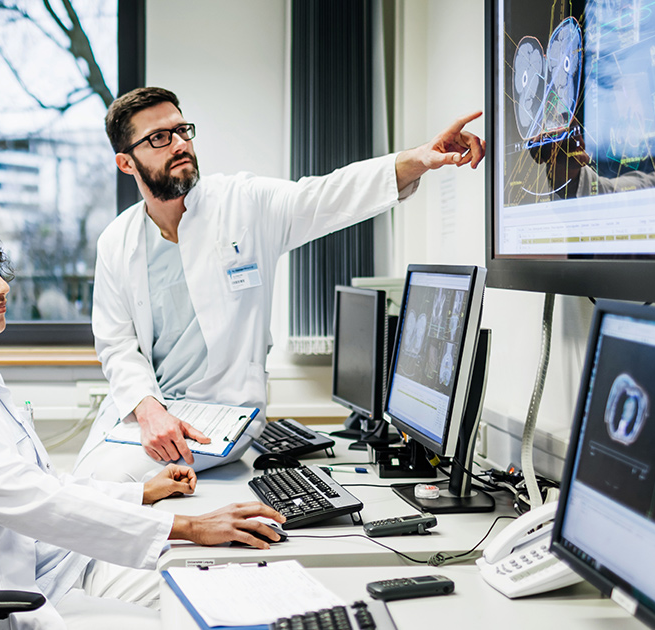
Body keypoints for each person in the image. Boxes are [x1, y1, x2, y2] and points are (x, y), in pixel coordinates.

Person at [0, 216, 284, 630]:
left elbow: (45, 482)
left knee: (228, 585)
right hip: (12, 597)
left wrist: (142, 492)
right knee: (190, 615)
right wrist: (187, 527)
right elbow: (34, 501)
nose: (2, 286)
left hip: (60, 565)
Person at [75, 87, 486, 482]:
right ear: (127, 163)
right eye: (159, 138)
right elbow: (116, 343)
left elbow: (328, 196)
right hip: (150, 408)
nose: (179, 144)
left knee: (108, 482)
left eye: (183, 130)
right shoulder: (117, 241)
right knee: (80, 479)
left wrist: (418, 159)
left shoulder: (243, 204)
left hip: (221, 413)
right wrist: (148, 408)